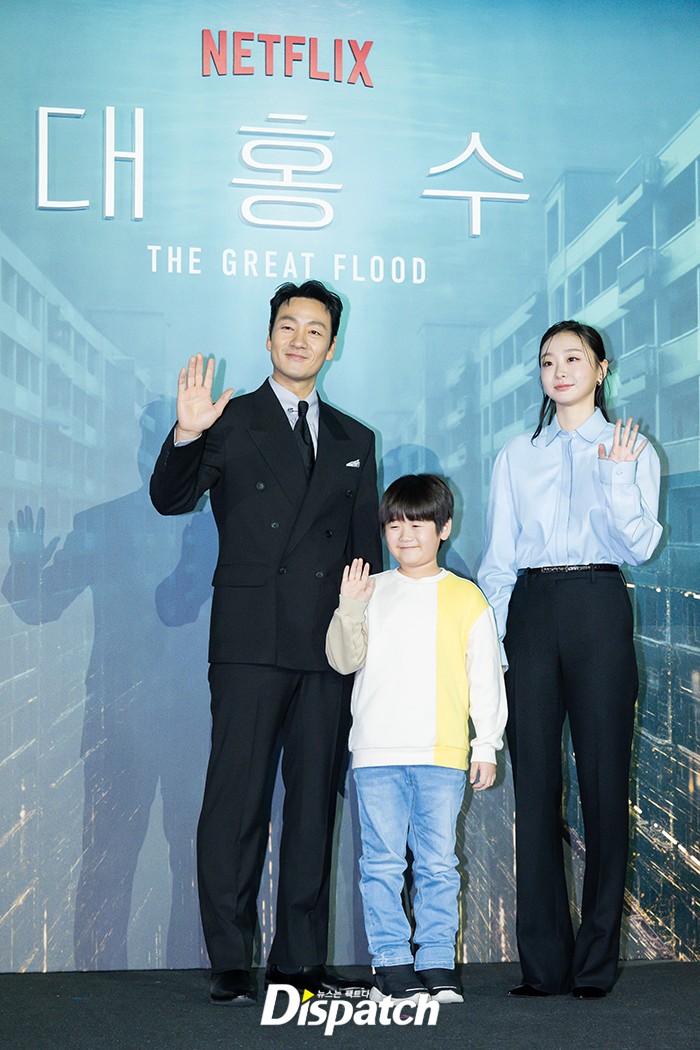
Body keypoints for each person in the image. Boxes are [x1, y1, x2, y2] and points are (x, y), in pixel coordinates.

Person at [150, 280, 383, 1005]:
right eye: (288, 325)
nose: (300, 338)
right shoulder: (229, 419)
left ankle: (300, 962)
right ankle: (230, 958)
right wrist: (187, 434)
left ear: (332, 346)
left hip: (326, 649)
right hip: (249, 639)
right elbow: (170, 498)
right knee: (237, 803)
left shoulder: (354, 438)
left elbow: (365, 552)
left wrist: (363, 635)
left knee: (314, 806)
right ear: (269, 337)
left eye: (315, 330)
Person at [478, 320, 662, 1000]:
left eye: (574, 358)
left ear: (601, 368)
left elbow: (639, 546)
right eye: (548, 361)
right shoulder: (515, 455)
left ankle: (595, 963)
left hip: (598, 604)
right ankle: (543, 963)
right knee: (534, 789)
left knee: (605, 785)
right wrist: (495, 643)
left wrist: (617, 477)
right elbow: (498, 559)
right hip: (530, 610)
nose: (559, 371)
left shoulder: (631, 448)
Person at [325, 474, 507, 1004]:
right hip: (376, 753)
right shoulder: (371, 589)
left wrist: (486, 744)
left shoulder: (467, 598)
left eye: (418, 524)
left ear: (444, 528)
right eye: (394, 525)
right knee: (382, 865)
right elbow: (342, 660)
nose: (405, 535)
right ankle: (390, 963)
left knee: (437, 865)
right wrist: (349, 606)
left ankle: (435, 962)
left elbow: (485, 679)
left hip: (442, 753)